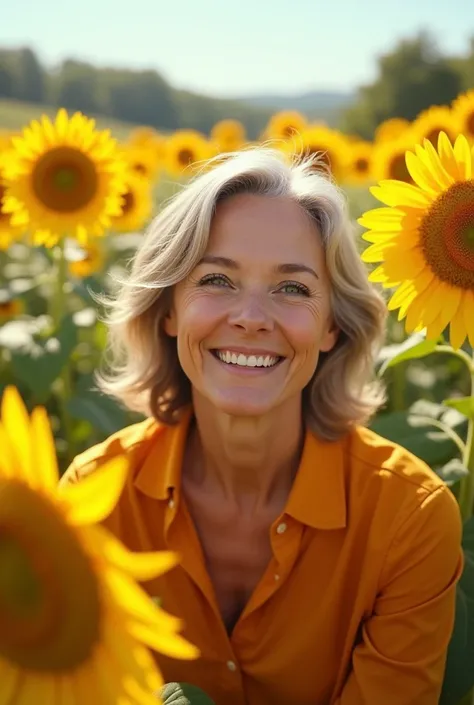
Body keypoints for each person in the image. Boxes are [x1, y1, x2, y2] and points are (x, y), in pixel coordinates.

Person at [60, 148, 464, 705]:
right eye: (217, 279)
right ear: (169, 310)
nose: (251, 316)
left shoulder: (408, 520)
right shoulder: (94, 498)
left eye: (292, 288)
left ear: (331, 327)